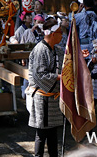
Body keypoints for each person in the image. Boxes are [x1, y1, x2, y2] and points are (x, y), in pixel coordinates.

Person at [26, 17, 64, 157]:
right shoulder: (40, 49)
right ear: (53, 34)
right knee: (41, 135)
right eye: (60, 32)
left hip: (53, 97)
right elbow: (39, 75)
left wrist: (80, 57)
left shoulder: (57, 49)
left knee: (53, 134)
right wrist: (59, 78)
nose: (62, 35)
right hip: (42, 97)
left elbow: (67, 61)